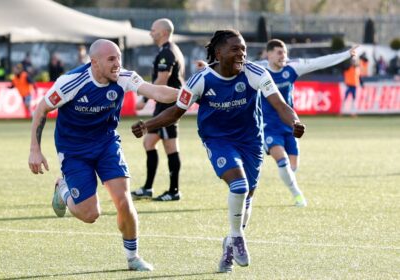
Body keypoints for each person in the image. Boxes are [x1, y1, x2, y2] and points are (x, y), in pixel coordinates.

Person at [131, 30, 306, 273]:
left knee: (248, 197)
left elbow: (280, 104)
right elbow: (175, 112)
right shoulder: (200, 79)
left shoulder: (255, 73)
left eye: (243, 49)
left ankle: (230, 243)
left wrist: (294, 121)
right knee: (239, 185)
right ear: (218, 52)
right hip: (218, 140)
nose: (241, 54)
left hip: (251, 142)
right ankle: (237, 238)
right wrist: (147, 124)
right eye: (235, 49)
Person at [28, 39, 179, 272]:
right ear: (94, 62)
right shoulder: (71, 82)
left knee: (124, 201)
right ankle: (62, 187)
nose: (117, 63)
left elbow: (156, 91)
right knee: (90, 214)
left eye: (119, 57)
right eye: (111, 59)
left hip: (107, 144)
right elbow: (41, 109)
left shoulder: (124, 77)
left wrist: (189, 95)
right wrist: (35, 150)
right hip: (74, 150)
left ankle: (133, 257)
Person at [255, 39, 358, 207]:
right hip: (268, 126)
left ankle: (291, 185)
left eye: (285, 53)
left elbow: (319, 62)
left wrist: (346, 54)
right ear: (269, 54)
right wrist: (206, 68)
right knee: (282, 160)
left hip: (289, 123)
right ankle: (297, 195)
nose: (284, 56)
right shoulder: (259, 69)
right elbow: (233, 66)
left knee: (293, 166)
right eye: (280, 53)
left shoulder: (292, 68)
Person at [131, 18, 185, 202]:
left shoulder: (167, 52)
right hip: (165, 104)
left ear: (162, 32)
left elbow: (163, 79)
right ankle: (147, 188)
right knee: (149, 143)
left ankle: (174, 191)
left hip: (168, 107)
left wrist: (144, 98)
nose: (150, 32)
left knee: (170, 147)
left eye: (153, 29)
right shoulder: (171, 49)